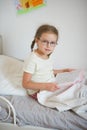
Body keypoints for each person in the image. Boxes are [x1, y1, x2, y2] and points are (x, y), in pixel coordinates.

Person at [22, 24, 74, 100]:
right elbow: (25, 83)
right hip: (38, 91)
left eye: (52, 43)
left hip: (49, 84)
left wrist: (64, 70)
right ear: (37, 40)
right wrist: (45, 86)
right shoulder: (32, 59)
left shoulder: (48, 55)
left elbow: (46, 71)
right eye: (45, 41)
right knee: (68, 97)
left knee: (74, 87)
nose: (48, 46)